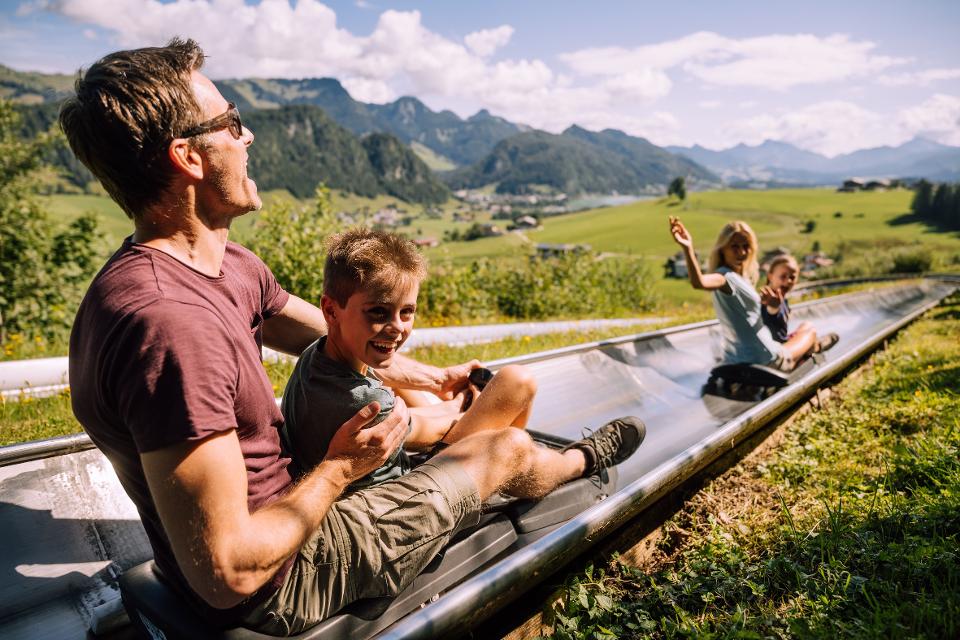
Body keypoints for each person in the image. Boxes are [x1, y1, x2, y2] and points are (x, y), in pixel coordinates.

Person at [61, 38, 645, 636]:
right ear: (187, 156)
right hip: (285, 576)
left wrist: (424, 377)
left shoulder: (223, 265)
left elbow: (329, 330)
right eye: (232, 123)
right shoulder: (172, 324)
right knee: (508, 451)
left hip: (291, 508)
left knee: (438, 419)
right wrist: (341, 467)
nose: (248, 137)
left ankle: (454, 465)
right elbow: (228, 571)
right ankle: (580, 460)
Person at [281, 228, 540, 488]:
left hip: (365, 468)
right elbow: (435, 430)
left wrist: (452, 395)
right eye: (379, 312)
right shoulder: (365, 403)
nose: (397, 327)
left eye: (407, 312)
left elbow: (407, 413)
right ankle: (509, 474)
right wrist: (469, 405)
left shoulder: (314, 355)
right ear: (330, 310)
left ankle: (508, 467)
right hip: (413, 493)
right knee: (517, 381)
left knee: (395, 388)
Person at [668, 216, 824, 371]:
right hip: (765, 358)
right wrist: (688, 248)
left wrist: (767, 307)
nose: (741, 252)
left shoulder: (740, 279)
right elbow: (699, 282)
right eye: (734, 246)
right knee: (809, 330)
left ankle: (812, 347)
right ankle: (814, 347)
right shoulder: (724, 277)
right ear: (722, 248)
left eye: (746, 246)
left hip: (737, 357)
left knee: (803, 329)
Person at [760, 254, 838, 352]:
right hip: (777, 348)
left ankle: (814, 343)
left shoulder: (784, 300)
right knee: (810, 330)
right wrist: (773, 307)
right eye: (783, 276)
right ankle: (816, 346)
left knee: (806, 325)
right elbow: (769, 314)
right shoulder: (766, 299)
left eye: (792, 277)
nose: (788, 281)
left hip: (783, 340)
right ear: (770, 276)